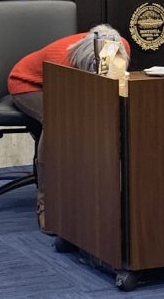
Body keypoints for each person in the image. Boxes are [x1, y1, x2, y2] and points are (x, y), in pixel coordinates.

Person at [8, 24, 130, 230]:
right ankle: (46, 206)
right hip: (29, 84)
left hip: (70, 84)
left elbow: (114, 84)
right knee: (56, 122)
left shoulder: (121, 46)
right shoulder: (64, 60)